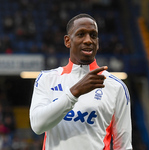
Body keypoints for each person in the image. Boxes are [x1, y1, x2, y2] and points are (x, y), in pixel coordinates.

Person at [29, 13, 132, 150]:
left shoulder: (116, 86)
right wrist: (74, 93)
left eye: (93, 35)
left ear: (98, 43)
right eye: (81, 34)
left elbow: (123, 146)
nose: (88, 40)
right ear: (67, 41)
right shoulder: (47, 79)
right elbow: (38, 125)